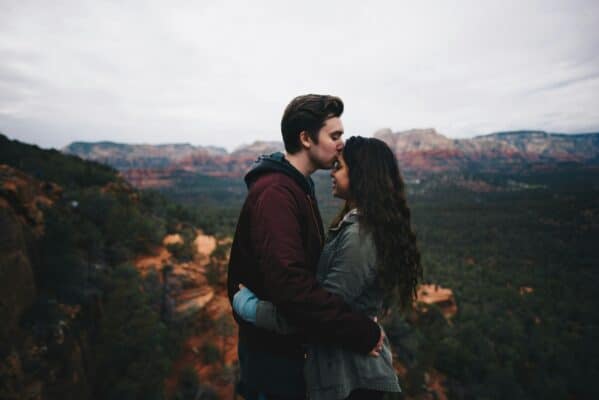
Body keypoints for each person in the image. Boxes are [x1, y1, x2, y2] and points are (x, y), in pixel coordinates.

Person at [234, 136, 423, 400]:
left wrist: (251, 308)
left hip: (351, 379)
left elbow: (317, 313)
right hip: (345, 372)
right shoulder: (360, 225)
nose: (332, 173)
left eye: (339, 166)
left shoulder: (360, 236)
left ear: (360, 176)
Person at [227, 95, 384, 400]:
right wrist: (361, 330)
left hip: (289, 359)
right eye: (334, 135)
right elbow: (292, 288)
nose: (342, 143)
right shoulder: (276, 193)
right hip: (274, 367)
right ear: (306, 138)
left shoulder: (297, 186)